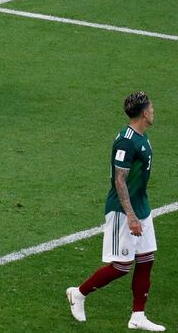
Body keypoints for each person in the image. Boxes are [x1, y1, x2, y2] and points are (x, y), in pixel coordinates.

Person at [66, 91, 164, 331]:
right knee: (121, 265)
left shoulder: (142, 136)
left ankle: (138, 315)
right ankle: (78, 294)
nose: (153, 110)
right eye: (151, 107)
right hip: (122, 211)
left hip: (141, 206)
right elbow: (119, 180)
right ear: (143, 112)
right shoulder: (126, 140)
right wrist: (130, 216)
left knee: (146, 258)